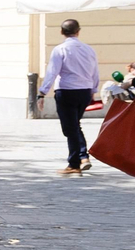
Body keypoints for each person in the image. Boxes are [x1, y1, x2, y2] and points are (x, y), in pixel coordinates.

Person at [37, 18, 101, 174]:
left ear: (61, 32)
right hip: (85, 91)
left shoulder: (60, 49)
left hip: (66, 91)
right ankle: (83, 156)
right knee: (74, 125)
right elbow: (95, 72)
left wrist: (42, 92)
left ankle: (74, 164)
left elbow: (52, 72)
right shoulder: (89, 50)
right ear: (78, 31)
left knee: (70, 128)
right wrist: (93, 90)